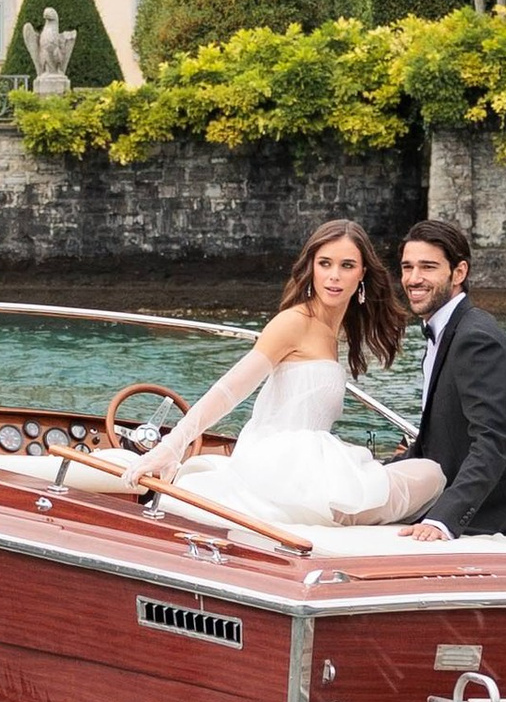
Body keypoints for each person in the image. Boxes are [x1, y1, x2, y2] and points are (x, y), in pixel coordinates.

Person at [122, 218, 406, 523]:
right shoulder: (294, 322)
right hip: (279, 468)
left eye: (347, 266)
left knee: (418, 473)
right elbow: (230, 390)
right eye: (325, 263)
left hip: (302, 467)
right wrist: (172, 445)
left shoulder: (333, 330)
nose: (334, 276)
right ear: (311, 267)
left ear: (362, 274)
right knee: (430, 474)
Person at [364, 216, 506, 536]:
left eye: (428, 267)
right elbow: (442, 437)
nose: (413, 279)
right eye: (407, 267)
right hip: (464, 491)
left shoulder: (476, 339)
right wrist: (379, 473)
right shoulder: (447, 330)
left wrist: (443, 519)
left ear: (459, 272)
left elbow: (494, 440)